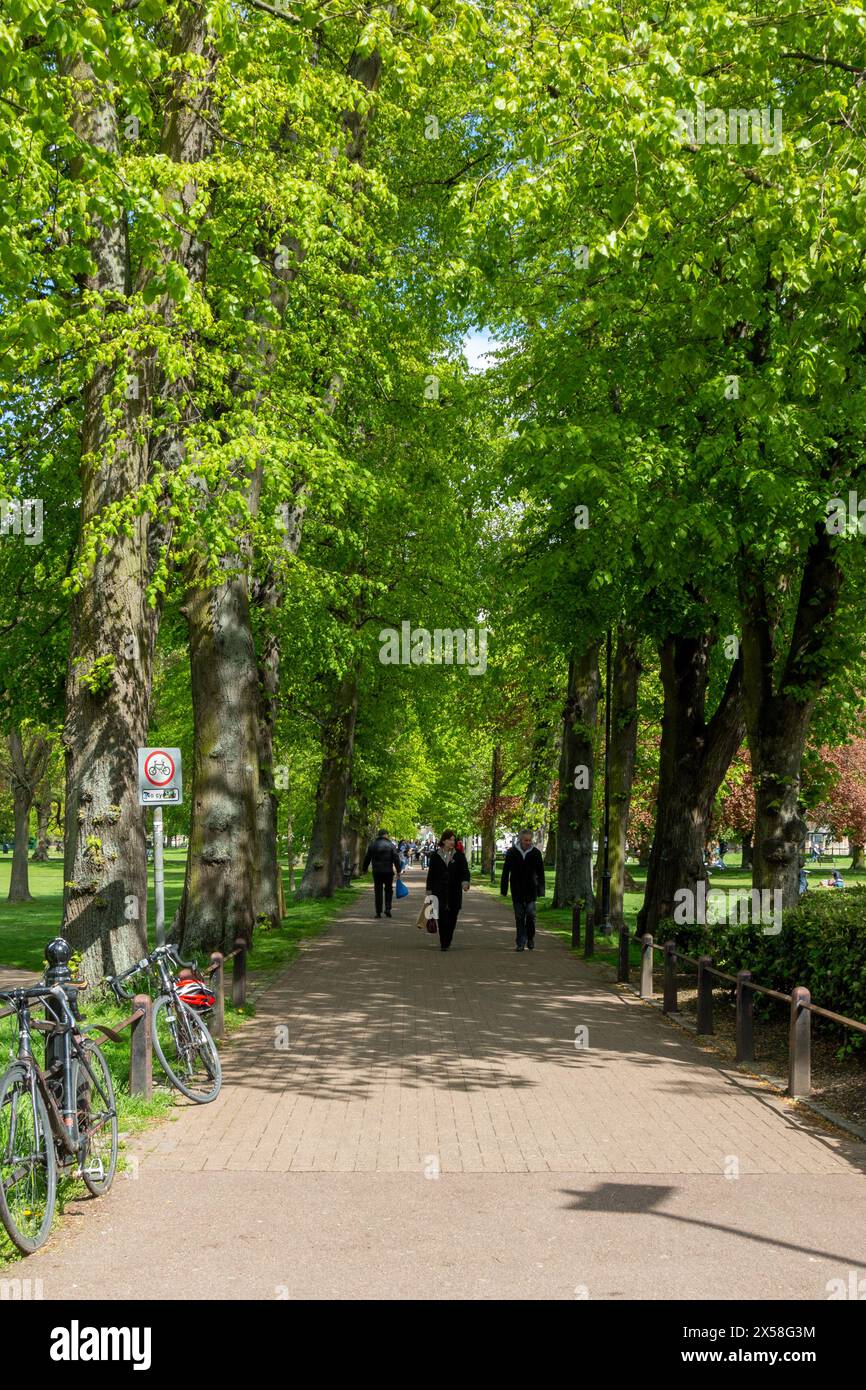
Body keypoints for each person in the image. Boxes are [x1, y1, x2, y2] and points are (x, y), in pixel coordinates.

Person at [500, 828, 546, 952]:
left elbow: (541, 872)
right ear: (520, 840)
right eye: (526, 840)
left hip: (531, 889)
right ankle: (520, 942)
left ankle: (530, 937)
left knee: (531, 914)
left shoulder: (536, 853)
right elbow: (505, 872)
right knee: (519, 916)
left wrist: (541, 890)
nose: (528, 842)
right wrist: (503, 889)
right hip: (517, 889)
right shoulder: (512, 852)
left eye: (530, 840)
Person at [425, 829, 470, 951]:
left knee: (452, 917)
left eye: (453, 839)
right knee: (442, 917)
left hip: (454, 892)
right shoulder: (435, 856)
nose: (452, 842)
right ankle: (443, 942)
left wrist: (465, 883)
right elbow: (431, 874)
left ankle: (448, 938)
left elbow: (465, 872)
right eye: (450, 839)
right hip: (439, 891)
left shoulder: (459, 856)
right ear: (444, 841)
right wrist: (429, 891)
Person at [362, 828, 403, 920]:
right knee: (389, 890)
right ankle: (388, 909)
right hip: (388, 871)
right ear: (386, 835)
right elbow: (396, 858)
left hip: (377, 871)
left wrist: (364, 869)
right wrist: (398, 870)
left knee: (378, 891)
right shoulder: (391, 845)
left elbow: (367, 858)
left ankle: (378, 912)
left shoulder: (372, 845)